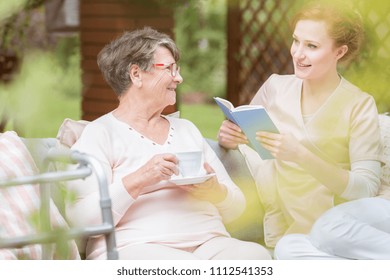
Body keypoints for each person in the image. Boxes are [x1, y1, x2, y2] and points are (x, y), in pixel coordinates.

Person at [65, 27, 271, 260]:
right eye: (170, 69)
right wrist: (140, 179)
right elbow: (80, 219)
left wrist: (214, 190)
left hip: (209, 244)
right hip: (136, 247)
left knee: (256, 257)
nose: (179, 78)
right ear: (136, 74)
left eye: (178, 69)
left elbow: (237, 208)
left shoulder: (187, 130)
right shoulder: (99, 134)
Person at [217, 0, 383, 252]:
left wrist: (301, 155)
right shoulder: (275, 87)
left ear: (339, 52)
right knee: (287, 253)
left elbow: (366, 189)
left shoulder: (359, 105)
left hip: (337, 227)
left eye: (311, 46)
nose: (297, 53)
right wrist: (229, 138)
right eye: (296, 41)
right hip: (288, 228)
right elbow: (249, 139)